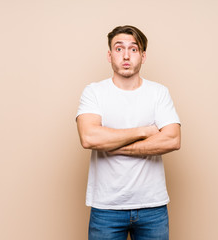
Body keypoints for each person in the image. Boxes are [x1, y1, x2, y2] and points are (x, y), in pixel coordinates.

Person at [76, 25, 181, 240]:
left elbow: (172, 139)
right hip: (106, 207)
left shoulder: (158, 93)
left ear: (143, 56)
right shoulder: (94, 92)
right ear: (109, 55)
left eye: (133, 49)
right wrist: (144, 131)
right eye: (119, 48)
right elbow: (89, 137)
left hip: (152, 207)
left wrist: (114, 145)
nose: (126, 55)